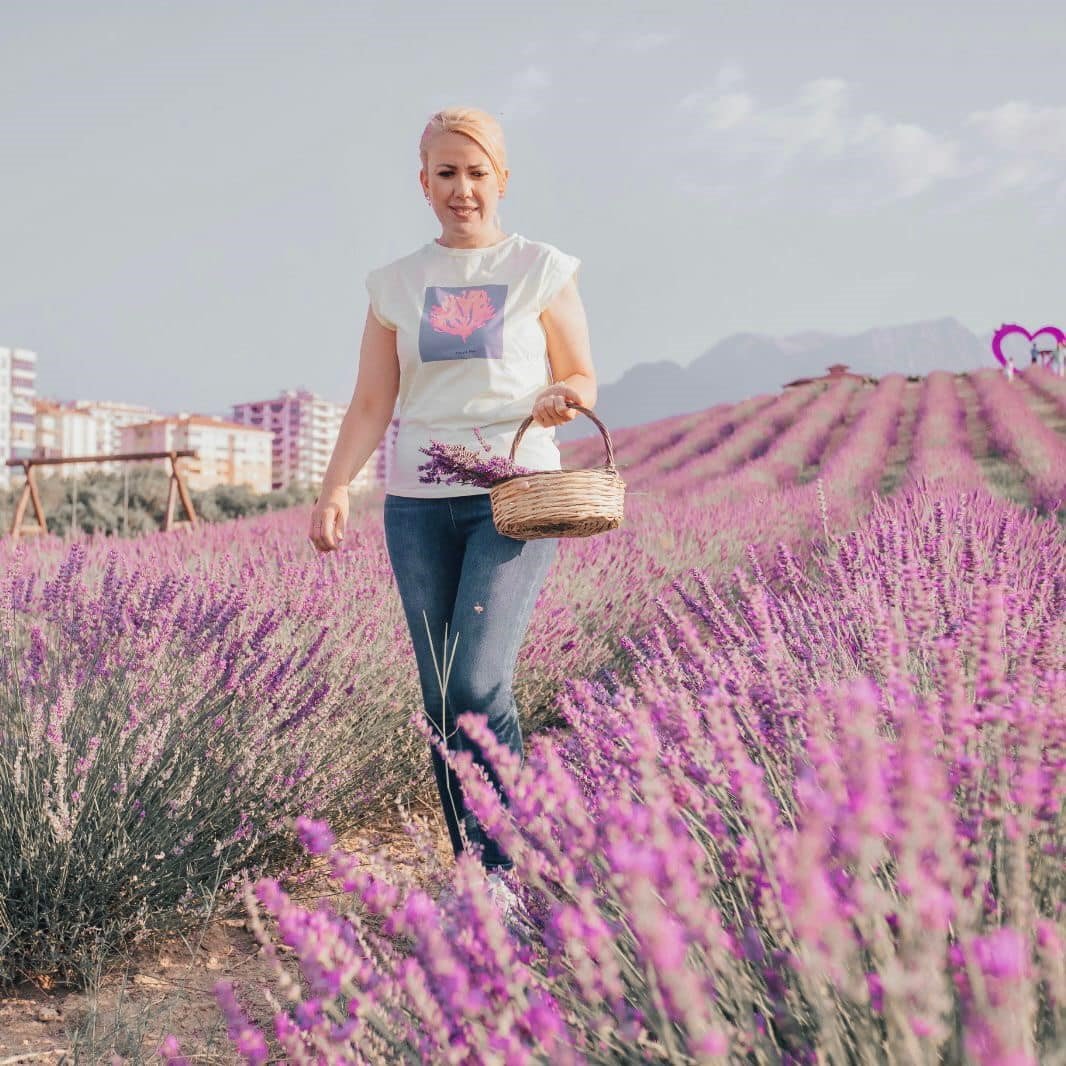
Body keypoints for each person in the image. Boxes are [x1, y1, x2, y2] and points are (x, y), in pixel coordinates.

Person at [308, 106, 595, 926]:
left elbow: (582, 375)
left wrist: (563, 398)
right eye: (445, 173)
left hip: (515, 492)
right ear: (423, 182)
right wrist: (336, 487)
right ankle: (479, 866)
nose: (461, 189)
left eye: (476, 172)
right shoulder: (395, 283)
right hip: (416, 503)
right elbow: (372, 401)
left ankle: (506, 862)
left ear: (502, 179)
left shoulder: (539, 267)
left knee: (477, 678)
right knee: (442, 694)